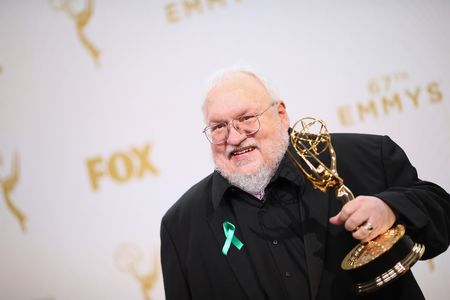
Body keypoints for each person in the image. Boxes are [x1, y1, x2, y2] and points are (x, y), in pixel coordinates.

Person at [160, 67, 450, 300]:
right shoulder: (181, 226)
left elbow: (442, 216)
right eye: (219, 126)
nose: (234, 137)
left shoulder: (366, 156)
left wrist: (391, 209)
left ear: (281, 113)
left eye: (246, 118)